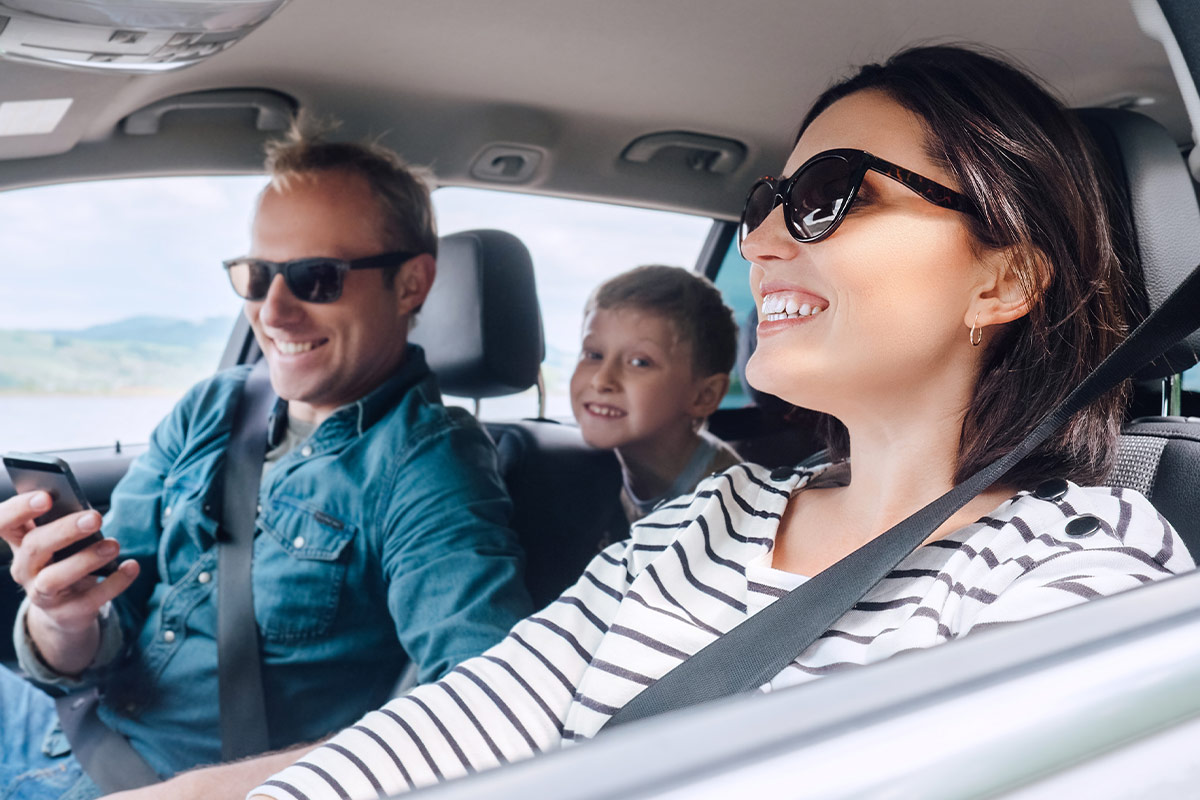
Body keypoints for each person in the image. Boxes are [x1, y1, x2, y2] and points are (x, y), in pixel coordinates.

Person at [129, 43, 1190, 800]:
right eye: (767, 200)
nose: (764, 238)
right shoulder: (707, 519)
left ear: (1004, 276)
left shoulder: (1077, 573)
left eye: (827, 197)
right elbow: (453, 733)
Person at [0, 122, 533, 799]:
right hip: (67, 735)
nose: (273, 313)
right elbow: (114, 614)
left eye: (316, 278)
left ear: (411, 285)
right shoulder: (213, 406)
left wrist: (196, 794)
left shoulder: (428, 466)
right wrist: (61, 617)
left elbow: (488, 710)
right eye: (257, 276)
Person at [570, 265, 741, 524]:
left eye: (639, 362)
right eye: (593, 355)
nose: (601, 380)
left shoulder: (729, 504)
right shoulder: (595, 476)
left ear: (704, 396)